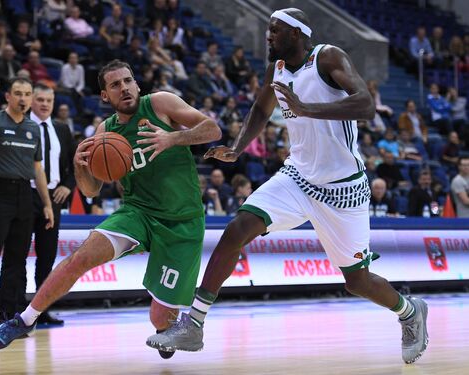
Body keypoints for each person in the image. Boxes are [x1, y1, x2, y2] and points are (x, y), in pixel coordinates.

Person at [146, 8, 429, 365]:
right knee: (237, 230)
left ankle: (409, 312)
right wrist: (237, 147)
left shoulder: (327, 57)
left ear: (296, 33)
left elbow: (366, 105)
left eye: (274, 31)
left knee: (357, 281)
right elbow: (262, 110)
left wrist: (306, 108)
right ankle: (195, 323)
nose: (268, 37)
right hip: (296, 177)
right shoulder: (276, 70)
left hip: (343, 189)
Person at [0, 60, 221, 359]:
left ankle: (164, 329)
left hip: (182, 222)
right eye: (115, 85)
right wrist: (80, 166)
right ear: (105, 96)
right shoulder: (105, 131)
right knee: (81, 257)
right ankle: (22, 320)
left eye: (128, 80)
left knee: (160, 319)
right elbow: (92, 190)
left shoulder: (160, 103)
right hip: (138, 212)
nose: (125, 88)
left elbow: (212, 129)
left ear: (137, 84)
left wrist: (172, 138)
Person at [0, 77, 54, 337]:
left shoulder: (32, 128)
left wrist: (47, 204)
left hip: (24, 196)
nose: (23, 99)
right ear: (8, 96)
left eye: (27, 94)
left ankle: (7, 318)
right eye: (18, 93)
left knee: (16, 262)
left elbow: (38, 169)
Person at [22, 84, 75, 325]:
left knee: (46, 257)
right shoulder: (21, 125)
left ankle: (40, 311)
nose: (44, 104)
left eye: (48, 100)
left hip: (53, 197)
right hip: (24, 194)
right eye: (40, 99)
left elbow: (77, 163)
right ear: (32, 101)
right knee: (18, 255)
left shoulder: (62, 129)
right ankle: (16, 308)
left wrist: (67, 185)